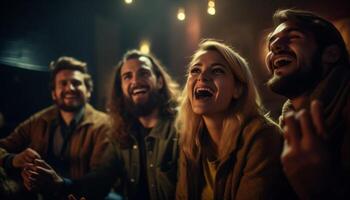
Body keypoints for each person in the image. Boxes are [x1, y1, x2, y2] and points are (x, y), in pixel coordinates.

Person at [175, 39, 289, 199]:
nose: (202, 77)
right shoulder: (190, 140)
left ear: (238, 89)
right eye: (195, 70)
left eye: (217, 71)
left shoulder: (262, 136)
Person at [73, 50, 180, 200]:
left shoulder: (181, 125)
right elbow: (100, 179)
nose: (135, 81)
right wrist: (61, 184)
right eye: (127, 76)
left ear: (160, 82)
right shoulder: (122, 132)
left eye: (143, 73)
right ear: (121, 88)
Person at [265, 9, 350, 199]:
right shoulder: (283, 130)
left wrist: (321, 190)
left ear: (330, 54)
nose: (275, 46)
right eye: (272, 42)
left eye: (293, 36)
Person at [0, 56, 111, 199]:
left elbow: (99, 178)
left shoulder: (104, 124)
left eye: (76, 83)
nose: (70, 88)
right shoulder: (39, 120)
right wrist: (12, 159)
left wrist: (59, 185)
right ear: (54, 93)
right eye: (63, 83)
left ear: (88, 91)